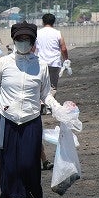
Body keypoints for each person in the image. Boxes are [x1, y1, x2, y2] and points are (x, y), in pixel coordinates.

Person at [0, 22, 58, 198]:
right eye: (19, 39)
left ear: (32, 42)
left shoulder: (41, 65)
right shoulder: (3, 63)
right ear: (14, 41)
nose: (23, 43)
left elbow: (46, 95)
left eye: (27, 40)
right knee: (8, 164)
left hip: (31, 118)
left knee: (29, 163)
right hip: (7, 119)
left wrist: (59, 110)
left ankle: (30, 194)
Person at [35, 13, 69, 170]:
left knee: (42, 86)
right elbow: (63, 47)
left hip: (41, 63)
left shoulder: (38, 33)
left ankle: (42, 101)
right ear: (54, 22)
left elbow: (34, 48)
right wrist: (65, 59)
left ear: (43, 22)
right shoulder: (57, 33)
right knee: (53, 87)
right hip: (55, 62)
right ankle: (46, 104)